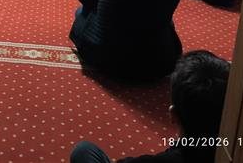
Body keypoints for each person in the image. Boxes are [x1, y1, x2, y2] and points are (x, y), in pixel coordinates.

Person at [70, 50, 231, 163]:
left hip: (113, 52)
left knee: (83, 151)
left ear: (173, 114)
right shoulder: (239, 149)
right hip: (160, 58)